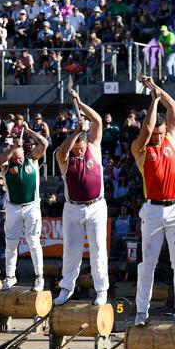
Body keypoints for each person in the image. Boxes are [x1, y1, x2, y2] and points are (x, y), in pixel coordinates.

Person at [132, 76, 175, 327]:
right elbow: (145, 130)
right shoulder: (141, 149)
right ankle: (141, 312)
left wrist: (156, 89)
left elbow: (174, 107)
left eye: (161, 132)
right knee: (148, 263)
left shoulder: (173, 139)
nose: (157, 136)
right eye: (155, 133)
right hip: (153, 209)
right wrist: (153, 102)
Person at [53, 89, 109, 306]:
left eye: (80, 148)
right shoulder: (65, 156)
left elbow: (97, 120)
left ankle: (101, 290)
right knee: (72, 251)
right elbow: (62, 152)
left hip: (96, 206)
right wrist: (76, 131)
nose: (78, 152)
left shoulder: (94, 147)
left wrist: (80, 101)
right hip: (73, 207)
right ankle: (66, 288)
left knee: (98, 250)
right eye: (75, 148)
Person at [0, 123, 49, 291]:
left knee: (33, 241)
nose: (18, 161)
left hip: (32, 206)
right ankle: (10, 276)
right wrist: (13, 148)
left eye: (20, 158)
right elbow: (0, 160)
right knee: (11, 243)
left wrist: (28, 131)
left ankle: (39, 277)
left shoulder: (32, 160)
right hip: (13, 208)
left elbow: (44, 144)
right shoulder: (7, 166)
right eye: (15, 159)